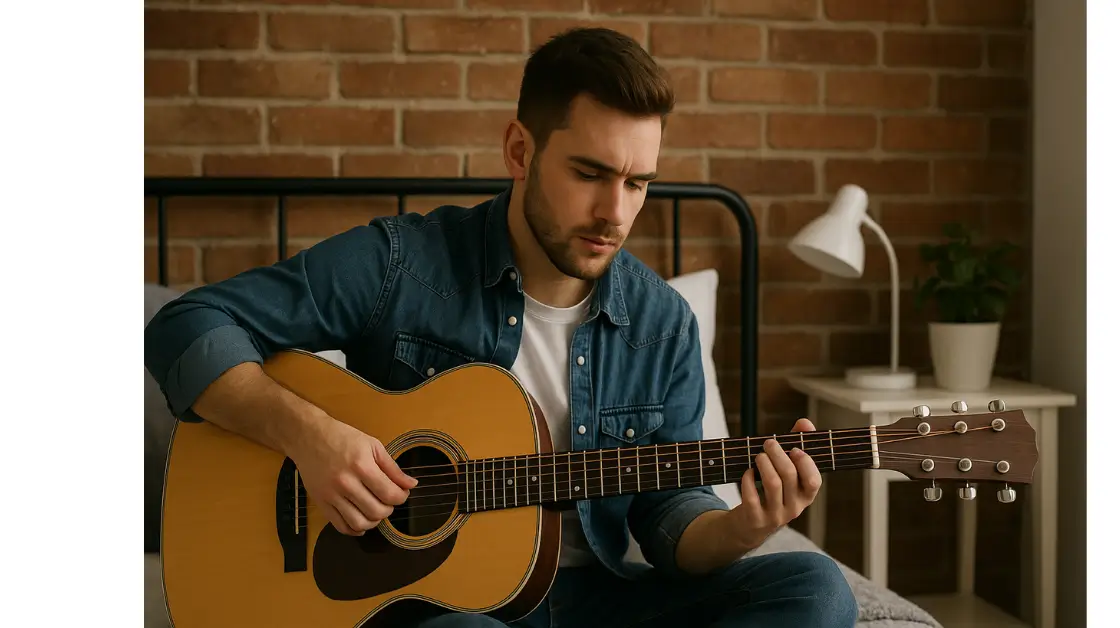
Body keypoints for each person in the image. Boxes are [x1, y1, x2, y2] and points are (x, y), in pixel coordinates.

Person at [144, 27, 857, 628]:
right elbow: (186, 322)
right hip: (436, 609)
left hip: (598, 601)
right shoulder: (403, 264)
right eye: (590, 172)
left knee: (817, 590)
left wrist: (744, 527)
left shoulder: (661, 322)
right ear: (520, 150)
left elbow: (668, 515)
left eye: (638, 182)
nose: (616, 211)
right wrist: (313, 438)